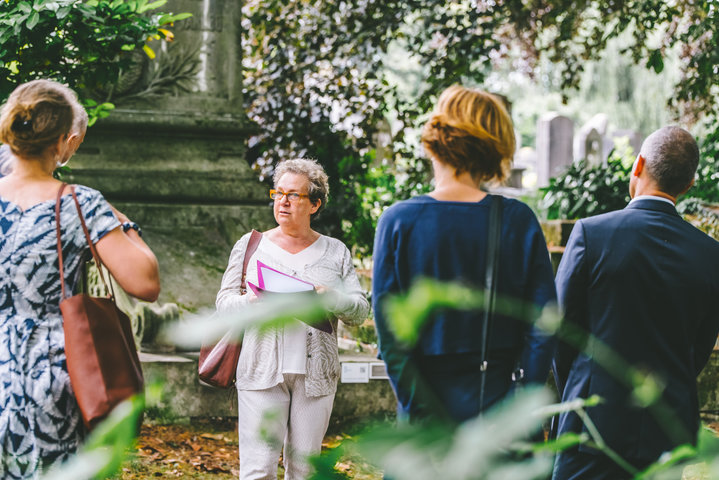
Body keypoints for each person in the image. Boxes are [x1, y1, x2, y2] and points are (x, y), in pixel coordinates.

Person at [0, 79, 160, 479]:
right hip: (52, 376)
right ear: (63, 142)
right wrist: (124, 223)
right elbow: (145, 283)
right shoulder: (78, 202)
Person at [372, 84, 556, 424]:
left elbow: (390, 335)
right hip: (500, 409)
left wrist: (418, 407)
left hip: (424, 412)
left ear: (435, 138)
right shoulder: (517, 221)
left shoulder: (399, 221)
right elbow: (543, 326)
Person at [552, 126, 719, 479]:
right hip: (669, 428)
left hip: (591, 424)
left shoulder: (591, 234)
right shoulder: (710, 255)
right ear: (688, 185)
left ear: (638, 164)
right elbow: (700, 346)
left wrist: (579, 387)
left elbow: (561, 329)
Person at [216, 158, 369, 480]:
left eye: (293, 195)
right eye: (278, 193)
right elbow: (224, 304)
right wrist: (250, 301)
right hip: (260, 371)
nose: (282, 201)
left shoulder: (335, 251)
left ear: (315, 203)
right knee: (258, 470)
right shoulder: (251, 245)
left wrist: (331, 298)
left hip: (316, 377)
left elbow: (360, 310)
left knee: (304, 470)